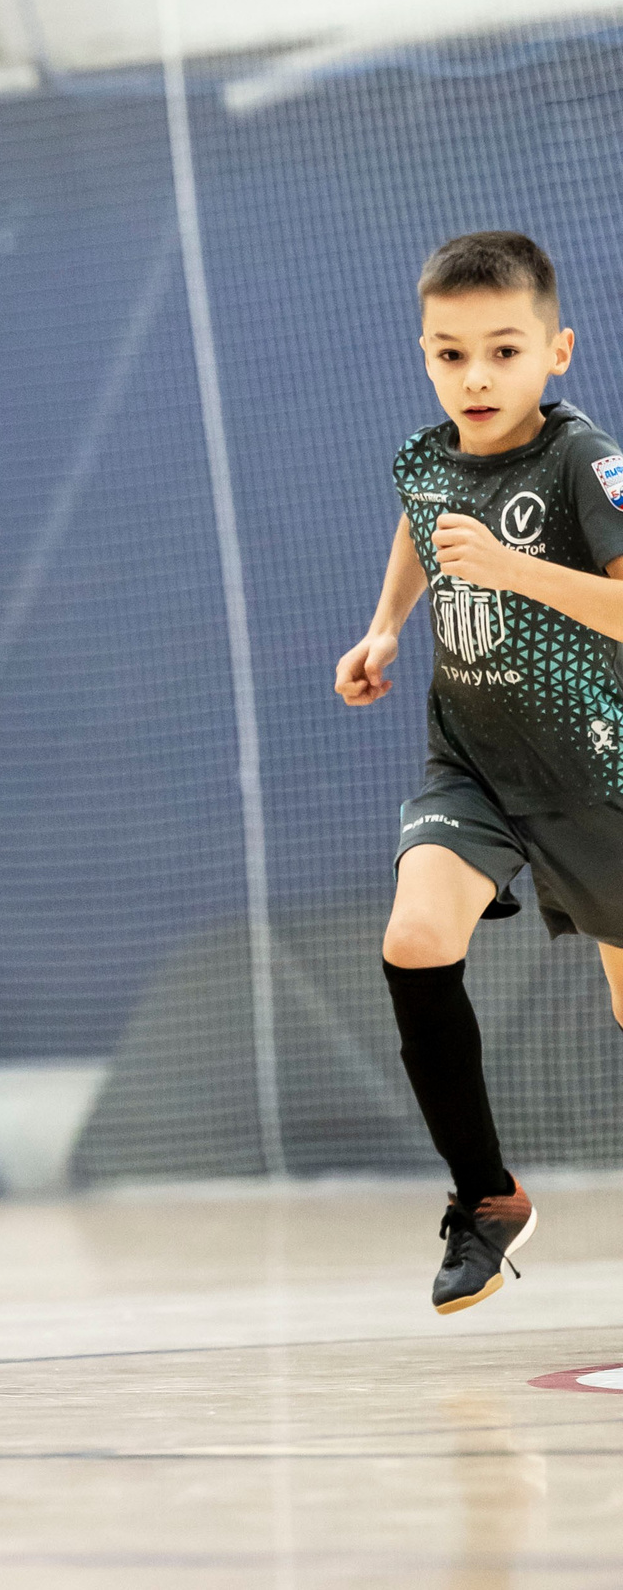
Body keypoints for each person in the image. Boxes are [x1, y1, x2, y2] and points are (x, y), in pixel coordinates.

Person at [335, 230, 623, 1313]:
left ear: (555, 351)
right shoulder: (424, 455)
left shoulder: (582, 460)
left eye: (502, 351)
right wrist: (383, 630)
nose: (475, 377)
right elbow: (424, 526)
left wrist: (512, 570)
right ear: (424, 354)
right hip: (472, 761)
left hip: (599, 769)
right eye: (450, 354)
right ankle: (486, 1200)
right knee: (413, 939)